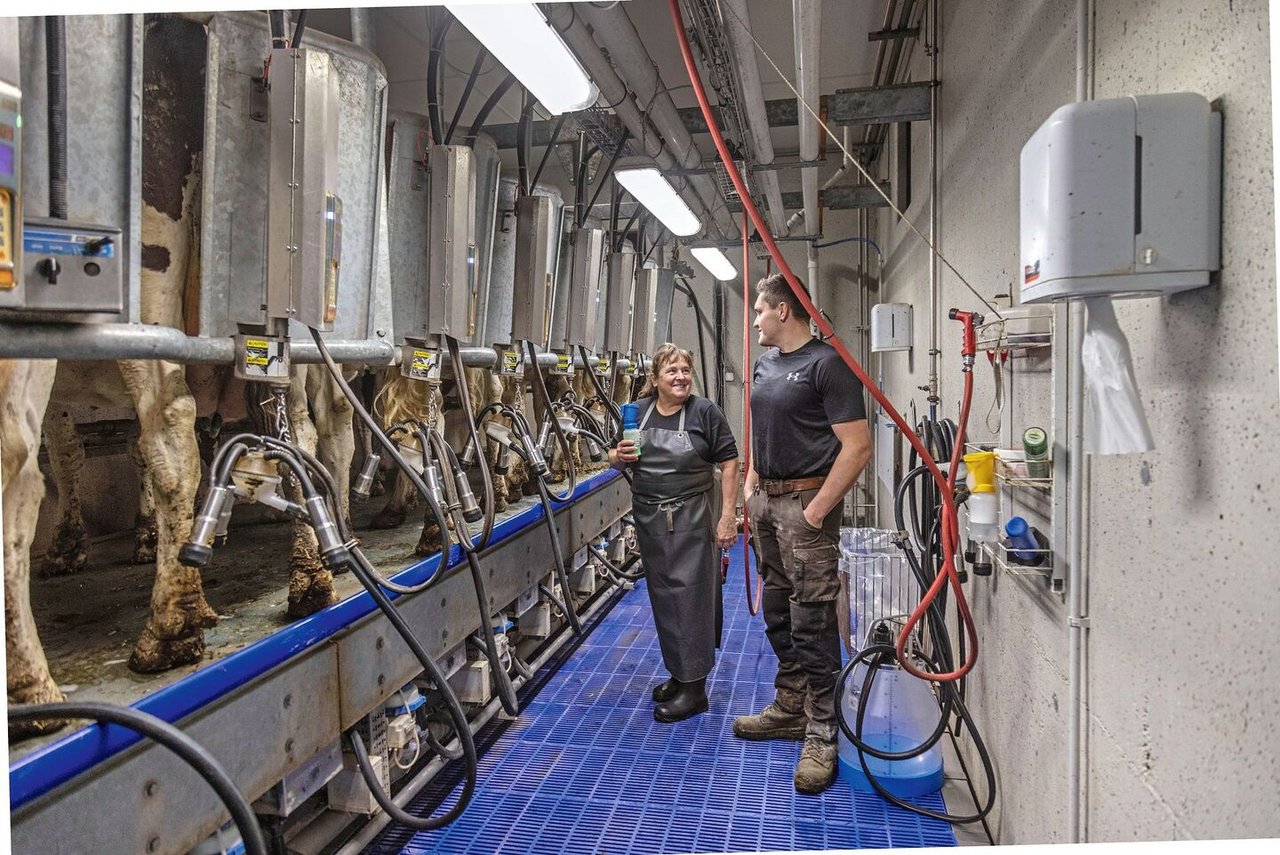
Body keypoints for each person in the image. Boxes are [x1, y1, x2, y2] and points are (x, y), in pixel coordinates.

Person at [735, 274, 872, 795]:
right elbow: (759, 431)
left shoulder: (828, 365)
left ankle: (822, 729)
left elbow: (857, 447)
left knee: (811, 619)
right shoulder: (767, 364)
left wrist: (815, 513)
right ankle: (791, 706)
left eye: (760, 312)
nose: (755, 321)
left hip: (804, 505)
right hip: (766, 502)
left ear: (784, 312)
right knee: (776, 609)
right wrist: (751, 489)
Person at [610, 343, 739, 723]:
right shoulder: (639, 412)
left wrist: (728, 517)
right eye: (672, 371)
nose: (681, 376)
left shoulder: (704, 413)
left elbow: (730, 464)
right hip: (650, 519)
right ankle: (679, 673)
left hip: (692, 519)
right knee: (664, 598)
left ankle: (695, 689)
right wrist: (618, 456)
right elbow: (616, 459)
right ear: (655, 379)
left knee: (692, 599)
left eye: (685, 369)